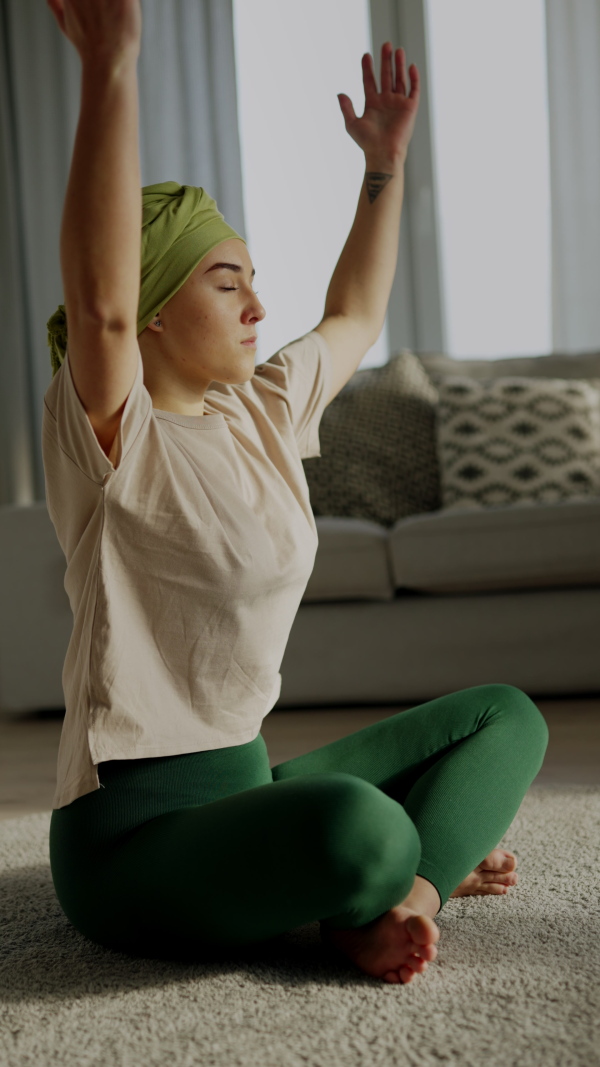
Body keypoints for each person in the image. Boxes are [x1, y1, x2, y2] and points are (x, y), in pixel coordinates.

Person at [43, 0, 549, 986]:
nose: (257, 306)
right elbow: (96, 304)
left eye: (254, 280)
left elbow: (355, 310)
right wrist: (112, 64)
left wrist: (384, 162)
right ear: (150, 309)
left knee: (506, 716)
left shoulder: (260, 410)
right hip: (130, 843)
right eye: (226, 280)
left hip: (245, 785)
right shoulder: (110, 435)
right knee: (362, 824)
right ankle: (393, 859)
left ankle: (403, 894)